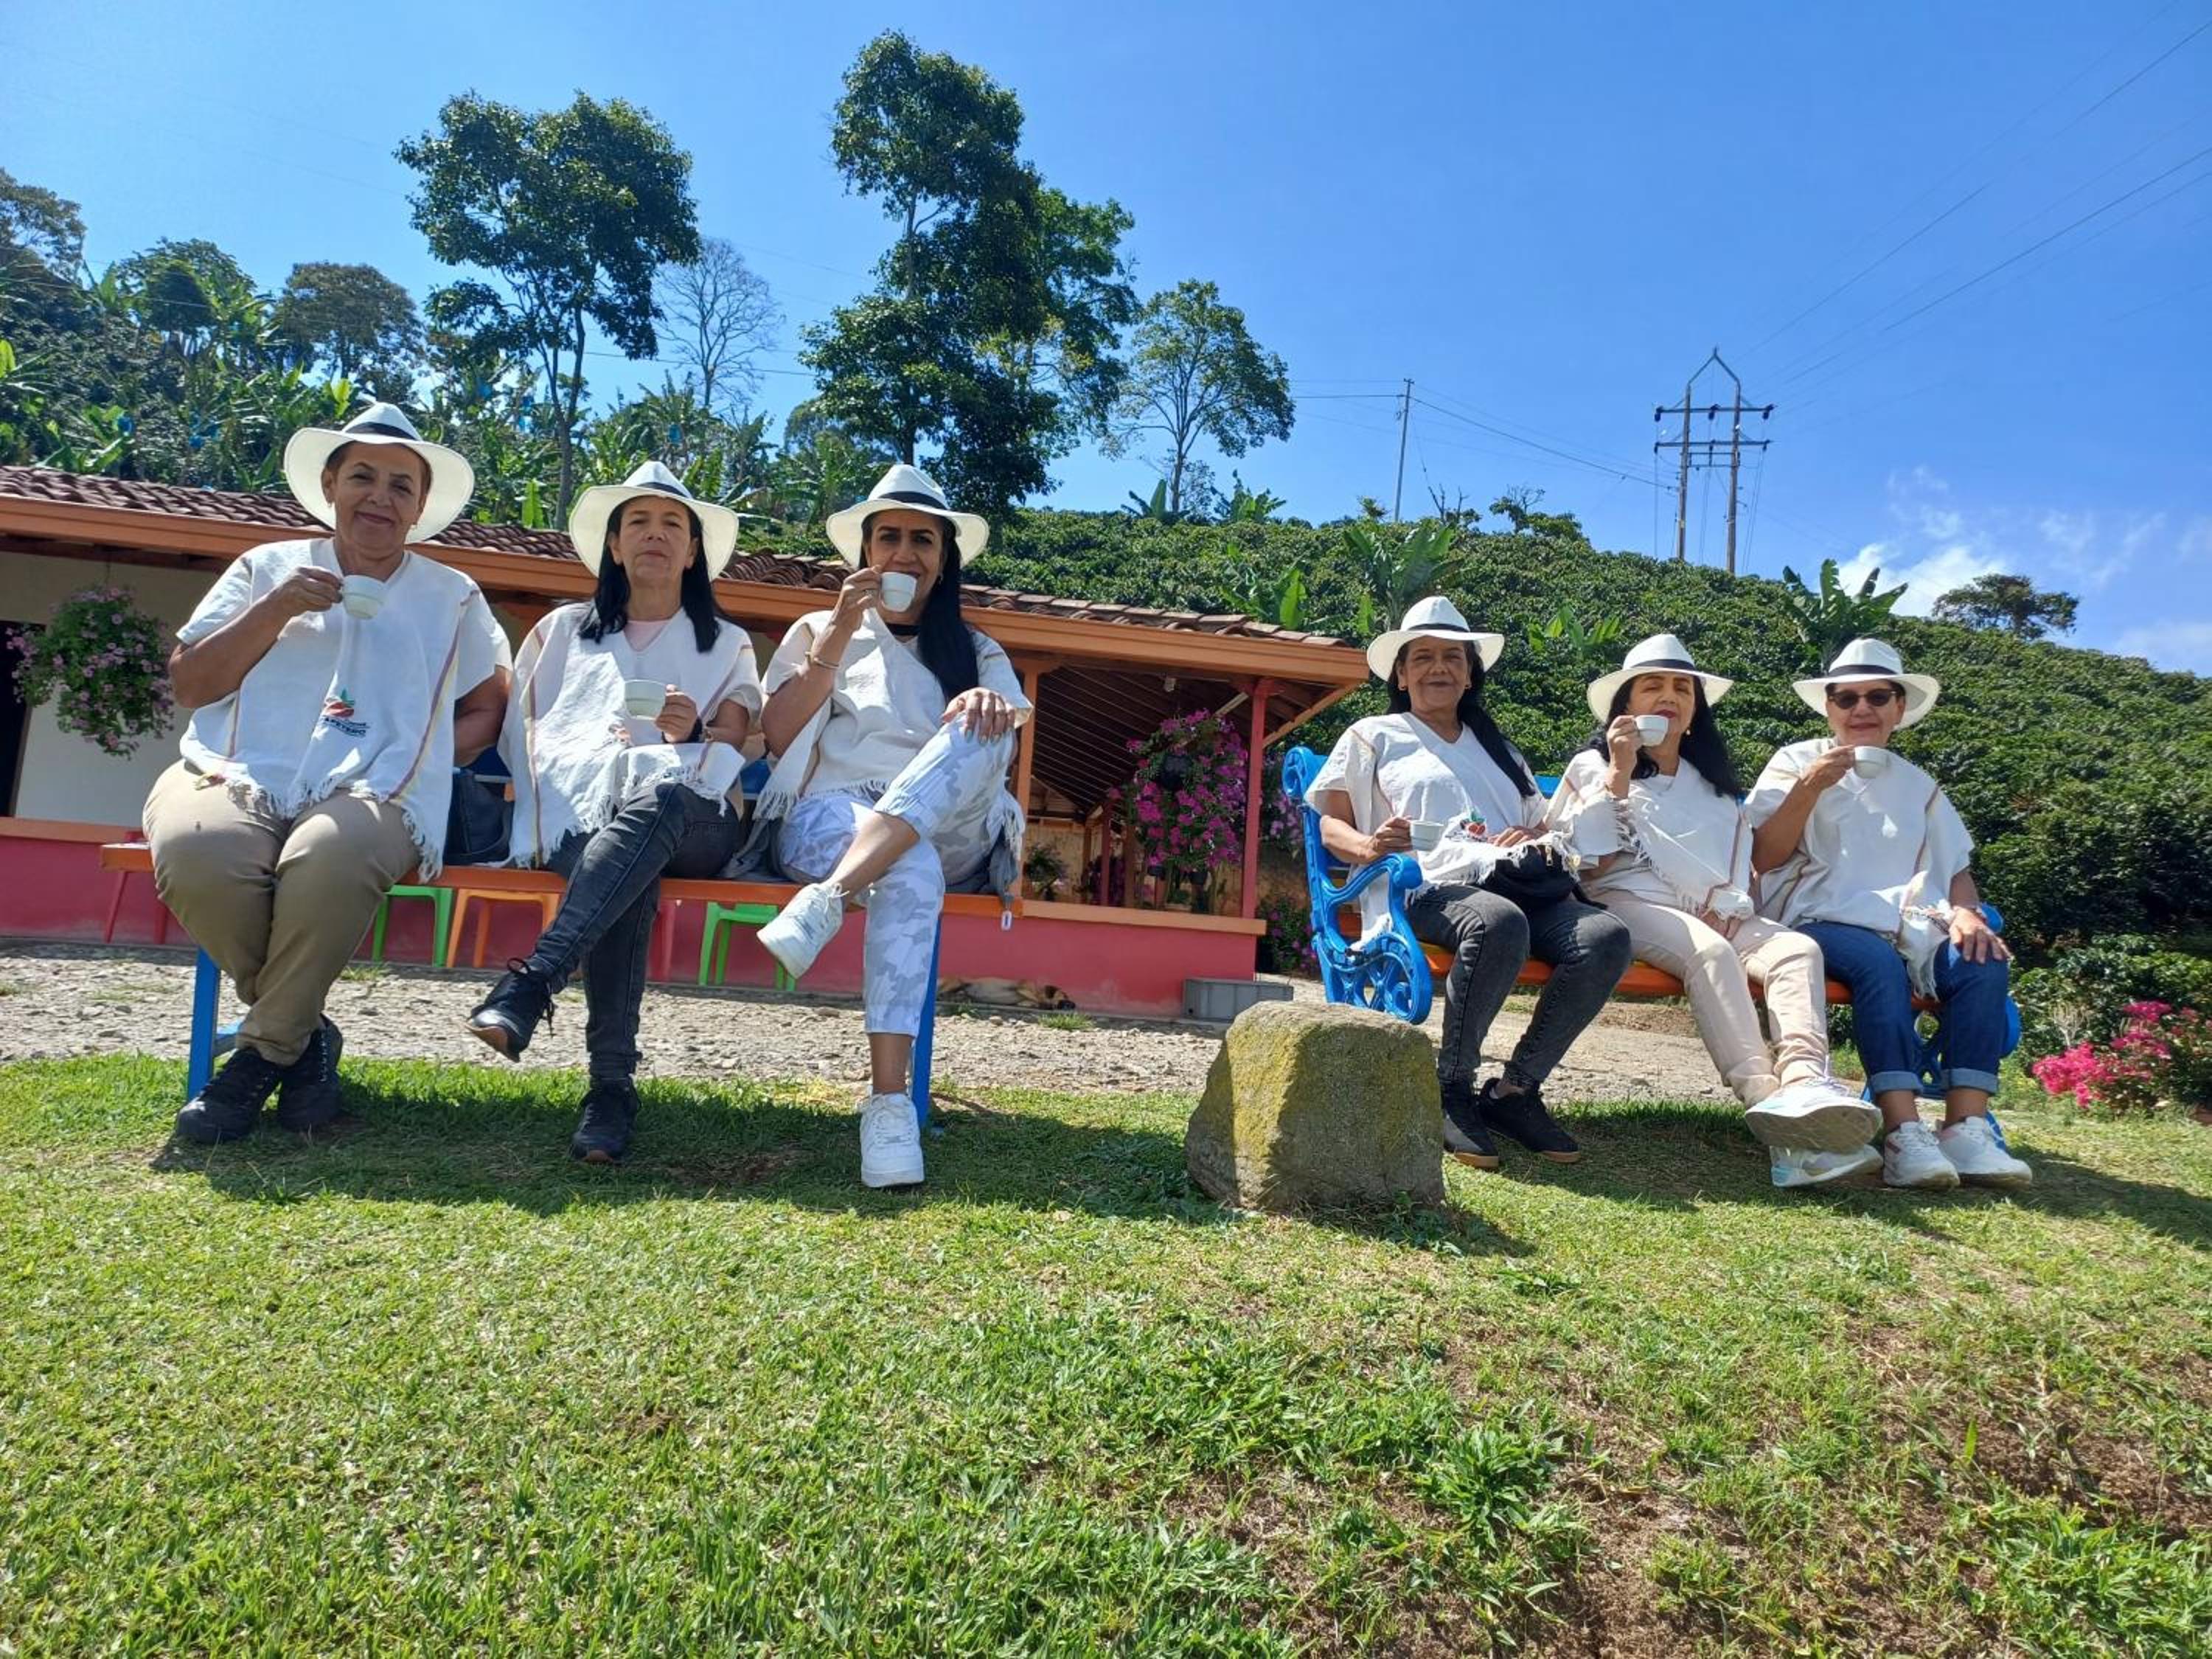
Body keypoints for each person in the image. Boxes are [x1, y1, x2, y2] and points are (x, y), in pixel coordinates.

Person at [145, 403, 511, 1143]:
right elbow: (191, 685)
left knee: (329, 855)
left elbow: (488, 708)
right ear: (330, 486)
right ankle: (305, 1036)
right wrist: (276, 608)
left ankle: (257, 1061)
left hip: (381, 786)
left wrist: (421, 760)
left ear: (419, 507)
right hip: (234, 767)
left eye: (402, 486)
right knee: (196, 848)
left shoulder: (451, 596)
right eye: (363, 478)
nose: (381, 497)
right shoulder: (266, 568)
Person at [464, 463, 762, 1162]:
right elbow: (525, 733)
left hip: (697, 818)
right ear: (614, 544)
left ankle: (533, 983)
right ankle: (610, 1088)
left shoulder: (726, 642)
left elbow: (737, 742)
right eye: (638, 522)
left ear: (693, 550)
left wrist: (692, 732)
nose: (655, 535)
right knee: (625, 859)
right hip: (583, 812)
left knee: (659, 803)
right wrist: (590, 770)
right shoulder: (562, 633)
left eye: (672, 524)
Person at [748, 465, 1030, 1189]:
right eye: (889, 538)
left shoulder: (977, 651)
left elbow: (1001, 743)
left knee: (985, 718)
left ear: (944, 559)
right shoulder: (818, 632)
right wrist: (840, 630)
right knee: (909, 865)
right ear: (866, 551)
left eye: (923, 541)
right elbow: (777, 737)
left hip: (953, 828)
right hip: (831, 816)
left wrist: (983, 703)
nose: (905, 554)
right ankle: (888, 1105)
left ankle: (826, 900)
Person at [1306, 597, 1631, 1169]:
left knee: (1604, 936)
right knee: (1496, 921)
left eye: (1453, 657)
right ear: (1401, 676)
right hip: (1422, 886)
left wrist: (1530, 833)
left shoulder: (1501, 751)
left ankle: (1515, 1092)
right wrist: (1371, 846)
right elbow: (1332, 823)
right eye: (1423, 657)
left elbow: (1545, 825)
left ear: (1470, 674)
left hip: (1516, 883)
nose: (1439, 668)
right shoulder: (1373, 735)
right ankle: (1452, 1087)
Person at [1548, 633, 1881, 1187]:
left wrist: (1722, 901)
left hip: (1718, 910)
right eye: (1653, 686)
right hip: (1626, 902)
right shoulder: (1593, 764)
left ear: (1695, 711)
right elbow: (1591, 863)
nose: (1669, 697)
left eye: (1683, 688)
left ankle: (1805, 1082)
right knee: (1710, 953)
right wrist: (1620, 769)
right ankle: (1774, 1115)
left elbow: (1739, 866)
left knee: (1796, 949)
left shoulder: (1713, 786)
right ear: (1626, 704)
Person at [1747, 638, 2030, 1191]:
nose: (1862, 709)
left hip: (1914, 922)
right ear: (1829, 707)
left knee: (1981, 958)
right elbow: (1763, 857)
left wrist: (1968, 914)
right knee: (1877, 963)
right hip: (1815, 917)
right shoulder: (1796, 761)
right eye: (1846, 698)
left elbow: (1955, 868)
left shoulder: (1919, 787)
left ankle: (1966, 1128)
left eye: (1878, 697)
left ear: (1899, 708)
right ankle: (1903, 1133)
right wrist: (1810, 788)